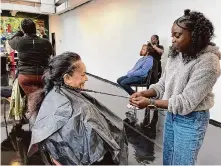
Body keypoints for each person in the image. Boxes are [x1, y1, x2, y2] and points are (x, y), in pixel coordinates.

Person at [130, 9, 220, 165]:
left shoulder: (209, 62)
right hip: (172, 114)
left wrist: (150, 103)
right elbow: (162, 84)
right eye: (172, 35)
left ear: (195, 36)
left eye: (177, 36)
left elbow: (185, 103)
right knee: (169, 159)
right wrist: (146, 93)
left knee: (181, 162)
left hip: (192, 120)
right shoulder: (175, 54)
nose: (172, 40)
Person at [27, 52, 128, 165]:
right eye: (83, 74)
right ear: (67, 78)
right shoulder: (83, 110)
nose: (86, 78)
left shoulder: (48, 97)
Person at [8, 18, 53, 96]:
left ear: (23, 30)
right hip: (43, 76)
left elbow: (10, 40)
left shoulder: (20, 42)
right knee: (43, 97)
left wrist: (20, 32)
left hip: (26, 76)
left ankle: (31, 106)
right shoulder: (45, 42)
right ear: (35, 28)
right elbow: (51, 53)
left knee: (30, 98)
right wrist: (44, 35)